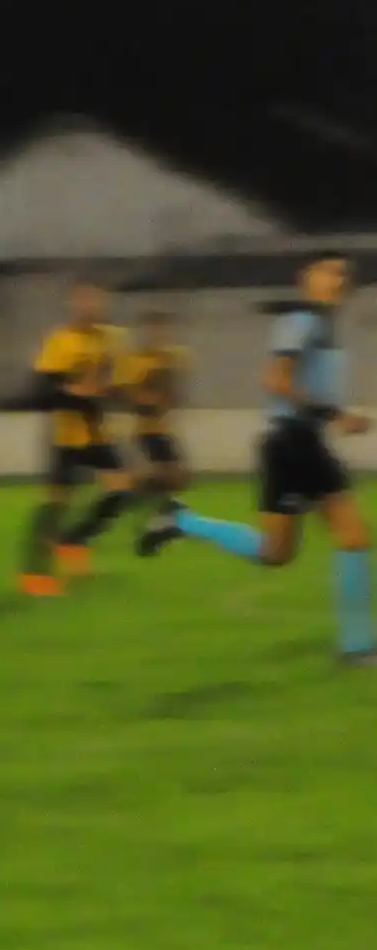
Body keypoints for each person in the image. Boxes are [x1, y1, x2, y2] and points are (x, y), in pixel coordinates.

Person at [139, 251, 377, 664]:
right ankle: (357, 648)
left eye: (343, 274)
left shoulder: (321, 325)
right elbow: (275, 380)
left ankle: (181, 520)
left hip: (302, 441)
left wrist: (332, 417)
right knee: (349, 539)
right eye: (329, 271)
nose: (339, 279)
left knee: (278, 552)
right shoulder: (302, 321)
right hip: (291, 443)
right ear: (306, 277)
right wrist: (336, 415)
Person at [19, 280, 134, 593]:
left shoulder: (113, 339)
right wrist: (77, 394)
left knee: (123, 492)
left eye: (96, 300)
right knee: (56, 504)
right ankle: (34, 574)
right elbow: (41, 393)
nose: (90, 306)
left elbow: (117, 385)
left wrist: (115, 391)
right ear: (73, 303)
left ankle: (73, 540)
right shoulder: (61, 340)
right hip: (67, 437)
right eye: (83, 301)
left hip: (99, 434)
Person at [117, 310, 191, 529]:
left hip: (163, 429)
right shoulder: (135, 361)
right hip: (146, 431)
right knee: (169, 475)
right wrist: (145, 398)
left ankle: (150, 506)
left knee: (175, 477)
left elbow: (175, 394)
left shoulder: (174, 358)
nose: (159, 335)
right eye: (153, 330)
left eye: (162, 330)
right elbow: (128, 396)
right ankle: (136, 502)